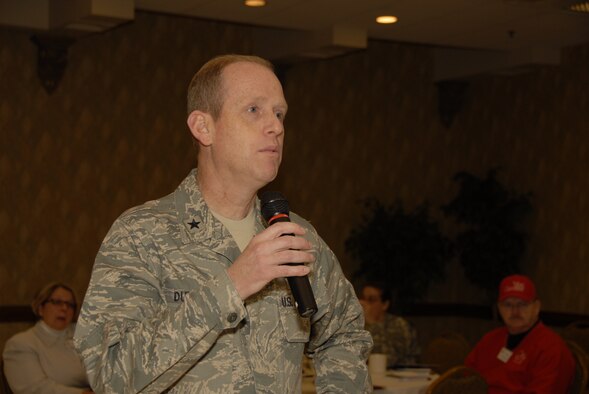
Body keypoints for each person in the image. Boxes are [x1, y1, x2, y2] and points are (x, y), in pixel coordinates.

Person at [73, 54, 373, 393]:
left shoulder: (297, 237)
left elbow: (344, 333)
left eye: (279, 113)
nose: (276, 126)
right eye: (254, 110)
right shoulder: (142, 235)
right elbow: (110, 375)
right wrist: (230, 286)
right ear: (204, 127)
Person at [466, 274, 575, 393]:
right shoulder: (490, 339)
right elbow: (466, 376)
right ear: (499, 308)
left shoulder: (552, 349)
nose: (515, 311)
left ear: (536, 307)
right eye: (508, 304)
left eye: (522, 304)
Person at [2, 282, 93, 394]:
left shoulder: (83, 335)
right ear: (40, 308)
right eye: (57, 302)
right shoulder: (21, 344)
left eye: (70, 304)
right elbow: (34, 389)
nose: (64, 308)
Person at [359, 282, 420, 368]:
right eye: (362, 299)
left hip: (401, 376)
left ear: (385, 305)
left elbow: (389, 360)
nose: (364, 304)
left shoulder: (399, 325)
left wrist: (372, 324)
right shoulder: (357, 324)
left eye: (371, 300)